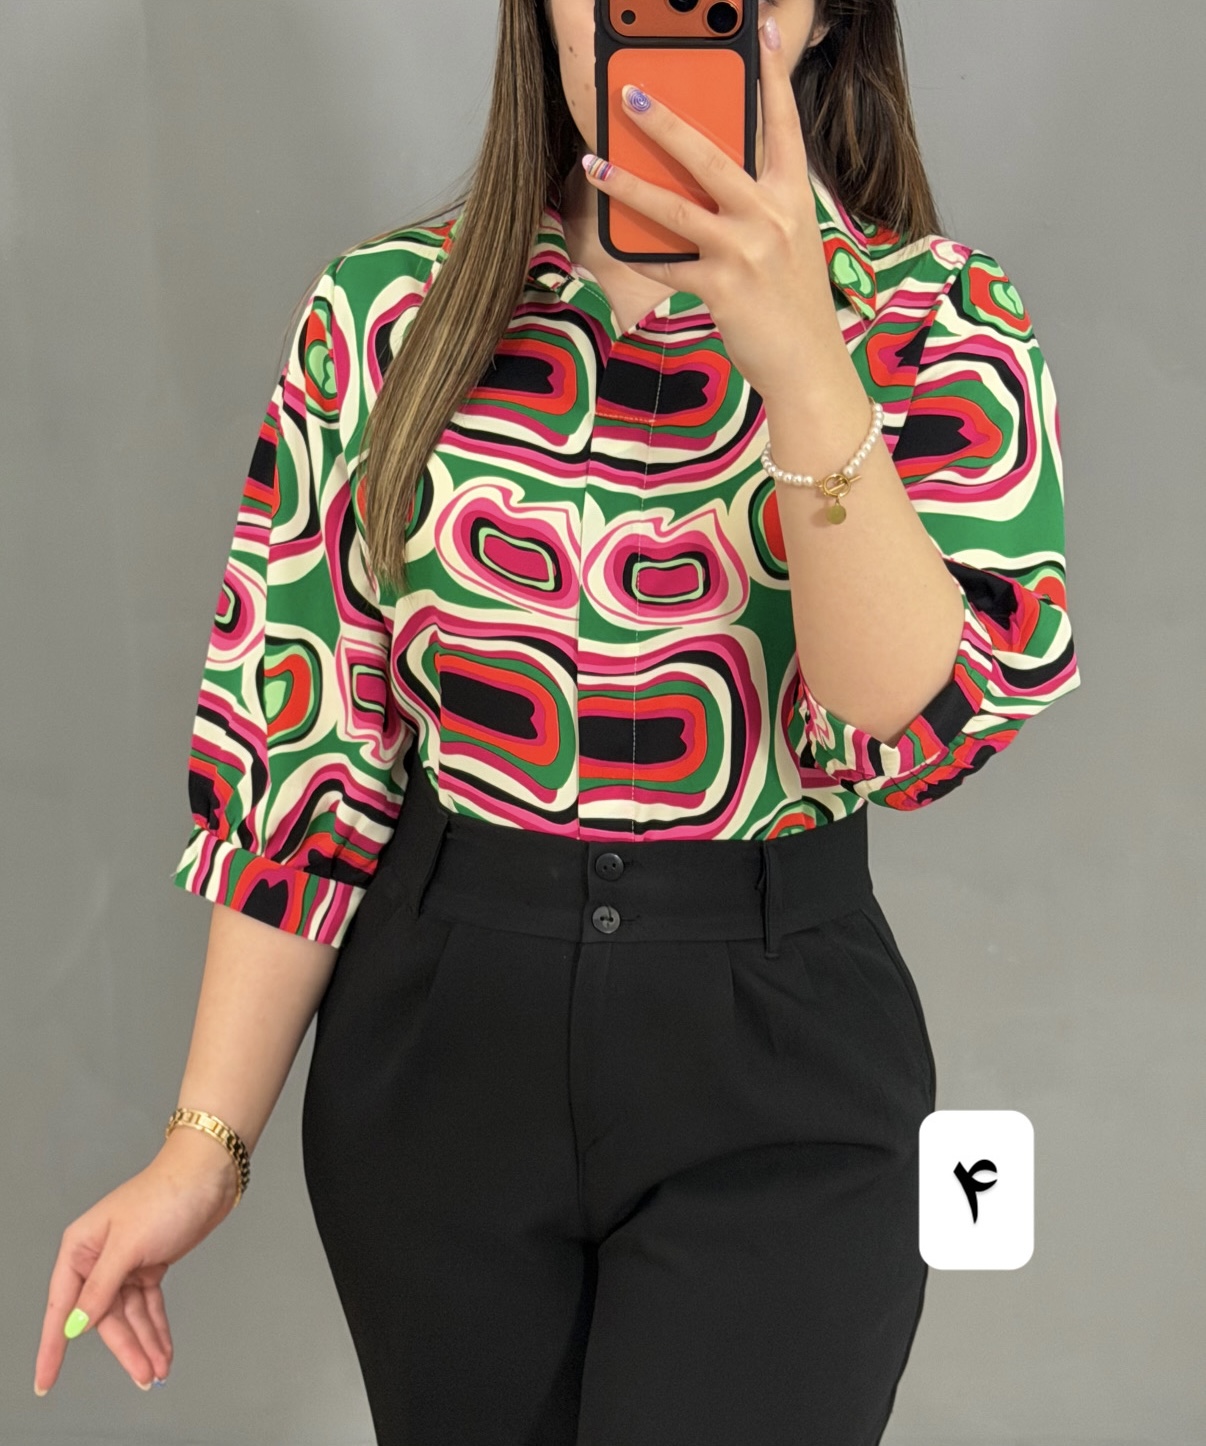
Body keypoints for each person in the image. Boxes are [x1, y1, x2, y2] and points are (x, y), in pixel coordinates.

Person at [34, 0, 1081, 1440]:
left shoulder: (939, 324)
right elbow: (301, 760)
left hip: (776, 1047)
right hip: (438, 1054)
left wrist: (800, 360)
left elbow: (907, 720)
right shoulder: (384, 315)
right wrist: (201, 1143)